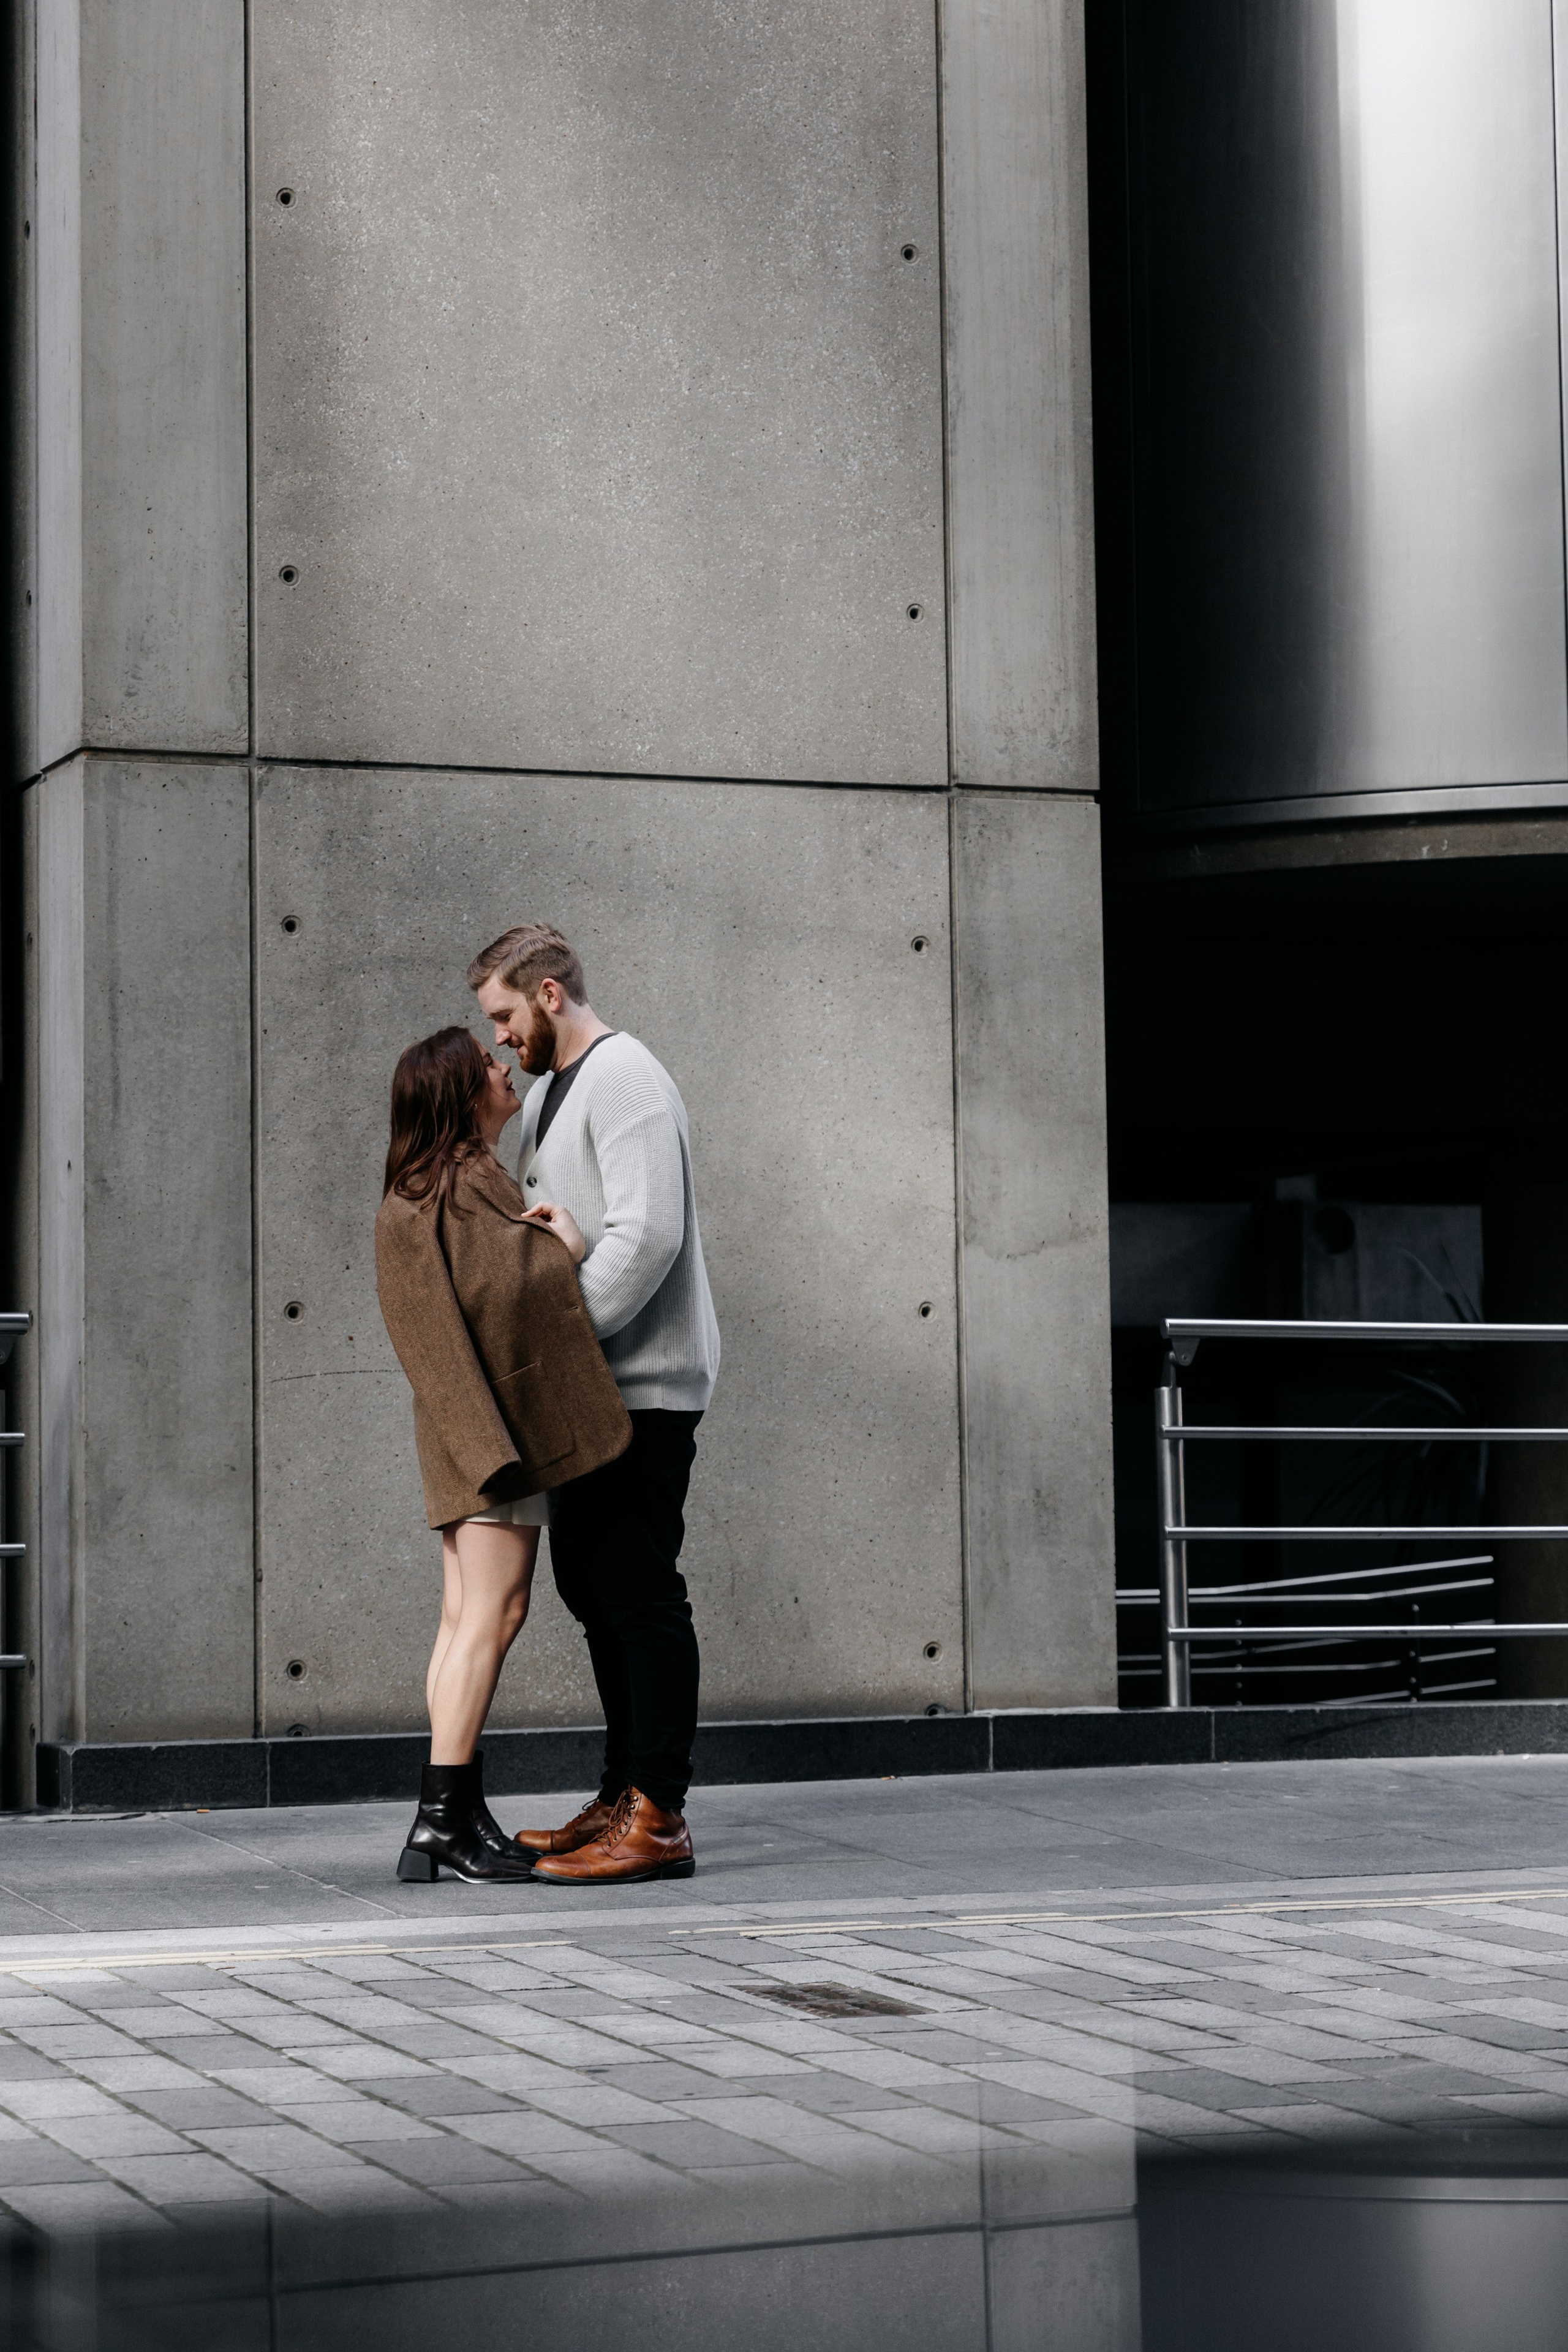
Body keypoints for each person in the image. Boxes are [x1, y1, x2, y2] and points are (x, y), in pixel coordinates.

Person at [467, 922, 720, 1885]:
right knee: (594, 1585)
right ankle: (624, 1794)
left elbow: (647, 1236)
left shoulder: (625, 1078)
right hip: (596, 1388)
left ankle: (659, 1814)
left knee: (640, 1589)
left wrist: (563, 1347)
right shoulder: (548, 1099)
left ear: (550, 996)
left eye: (503, 1016)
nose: (499, 1040)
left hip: (641, 1386)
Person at [375, 1026, 631, 1883]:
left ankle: (452, 1812)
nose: (504, 1067)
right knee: (494, 1613)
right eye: (487, 1065)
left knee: (466, 1619)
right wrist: (569, 1245)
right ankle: (441, 1821)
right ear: (459, 1090)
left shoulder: (434, 1186)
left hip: (473, 1433)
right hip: (494, 1435)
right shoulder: (457, 1186)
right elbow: (509, 1295)